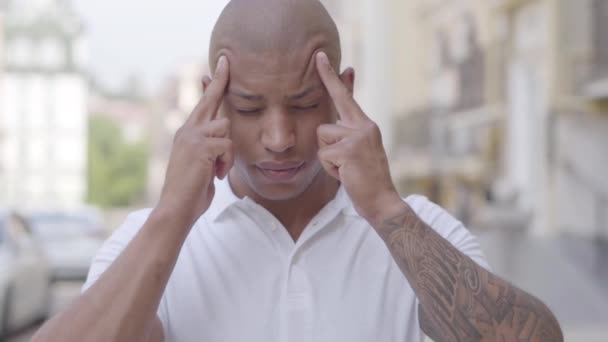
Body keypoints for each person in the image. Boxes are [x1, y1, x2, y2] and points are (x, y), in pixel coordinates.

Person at [32, 0, 563, 341]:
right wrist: (173, 213)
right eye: (248, 108)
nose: (280, 138)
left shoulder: (419, 229)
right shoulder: (151, 244)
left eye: (306, 103)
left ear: (343, 93)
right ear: (210, 102)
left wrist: (383, 208)